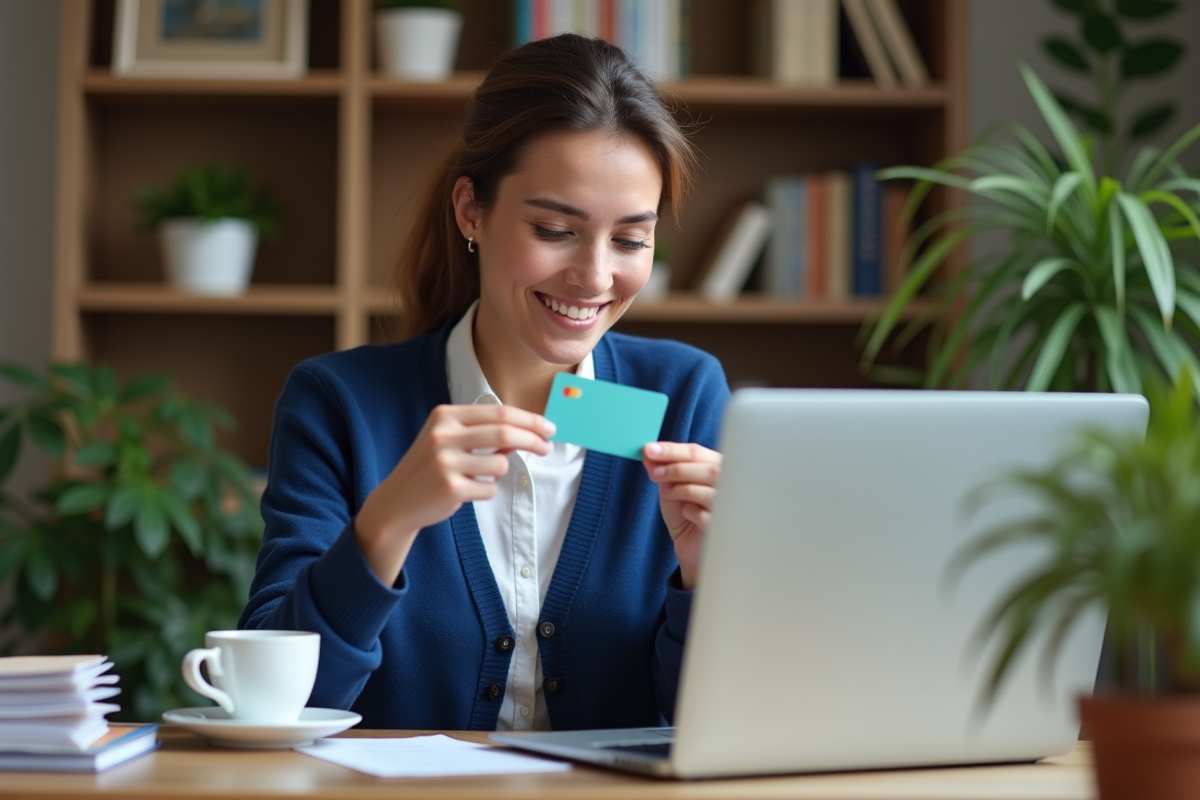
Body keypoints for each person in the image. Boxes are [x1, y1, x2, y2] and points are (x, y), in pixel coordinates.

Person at [239, 33, 730, 732]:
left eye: (629, 239)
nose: (594, 277)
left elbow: (712, 725)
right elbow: (272, 704)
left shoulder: (684, 394)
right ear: (471, 211)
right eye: (555, 229)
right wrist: (387, 524)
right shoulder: (339, 403)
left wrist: (705, 580)